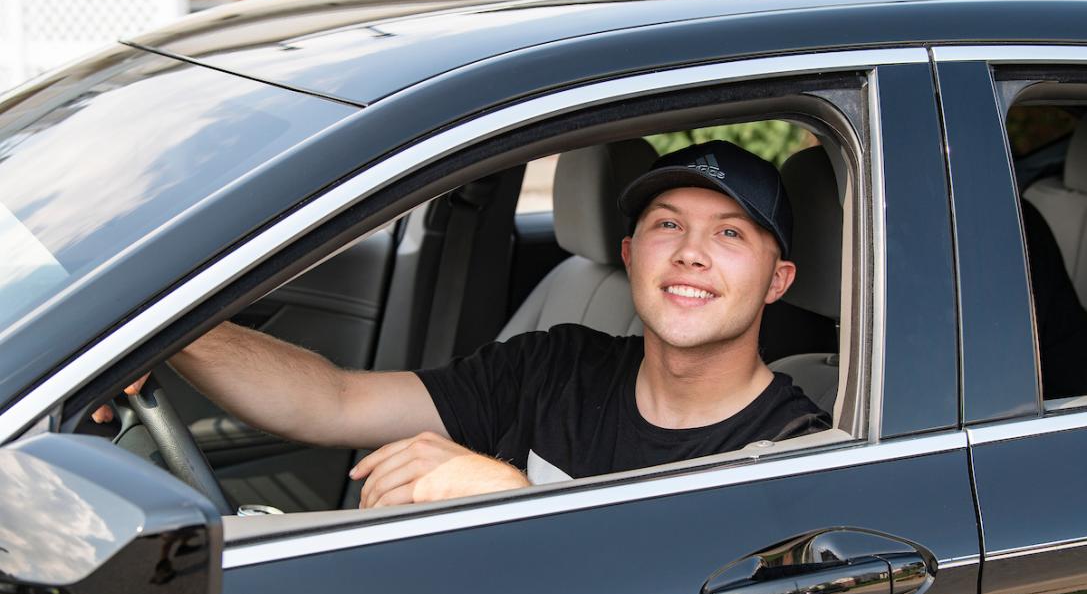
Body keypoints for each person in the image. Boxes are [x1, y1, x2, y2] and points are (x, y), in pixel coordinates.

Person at [95, 140, 830, 508]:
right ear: (632, 254)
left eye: (730, 234)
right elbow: (334, 400)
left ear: (778, 280)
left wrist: (510, 494)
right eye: (667, 224)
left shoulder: (798, 448)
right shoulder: (557, 363)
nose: (692, 253)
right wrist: (172, 332)